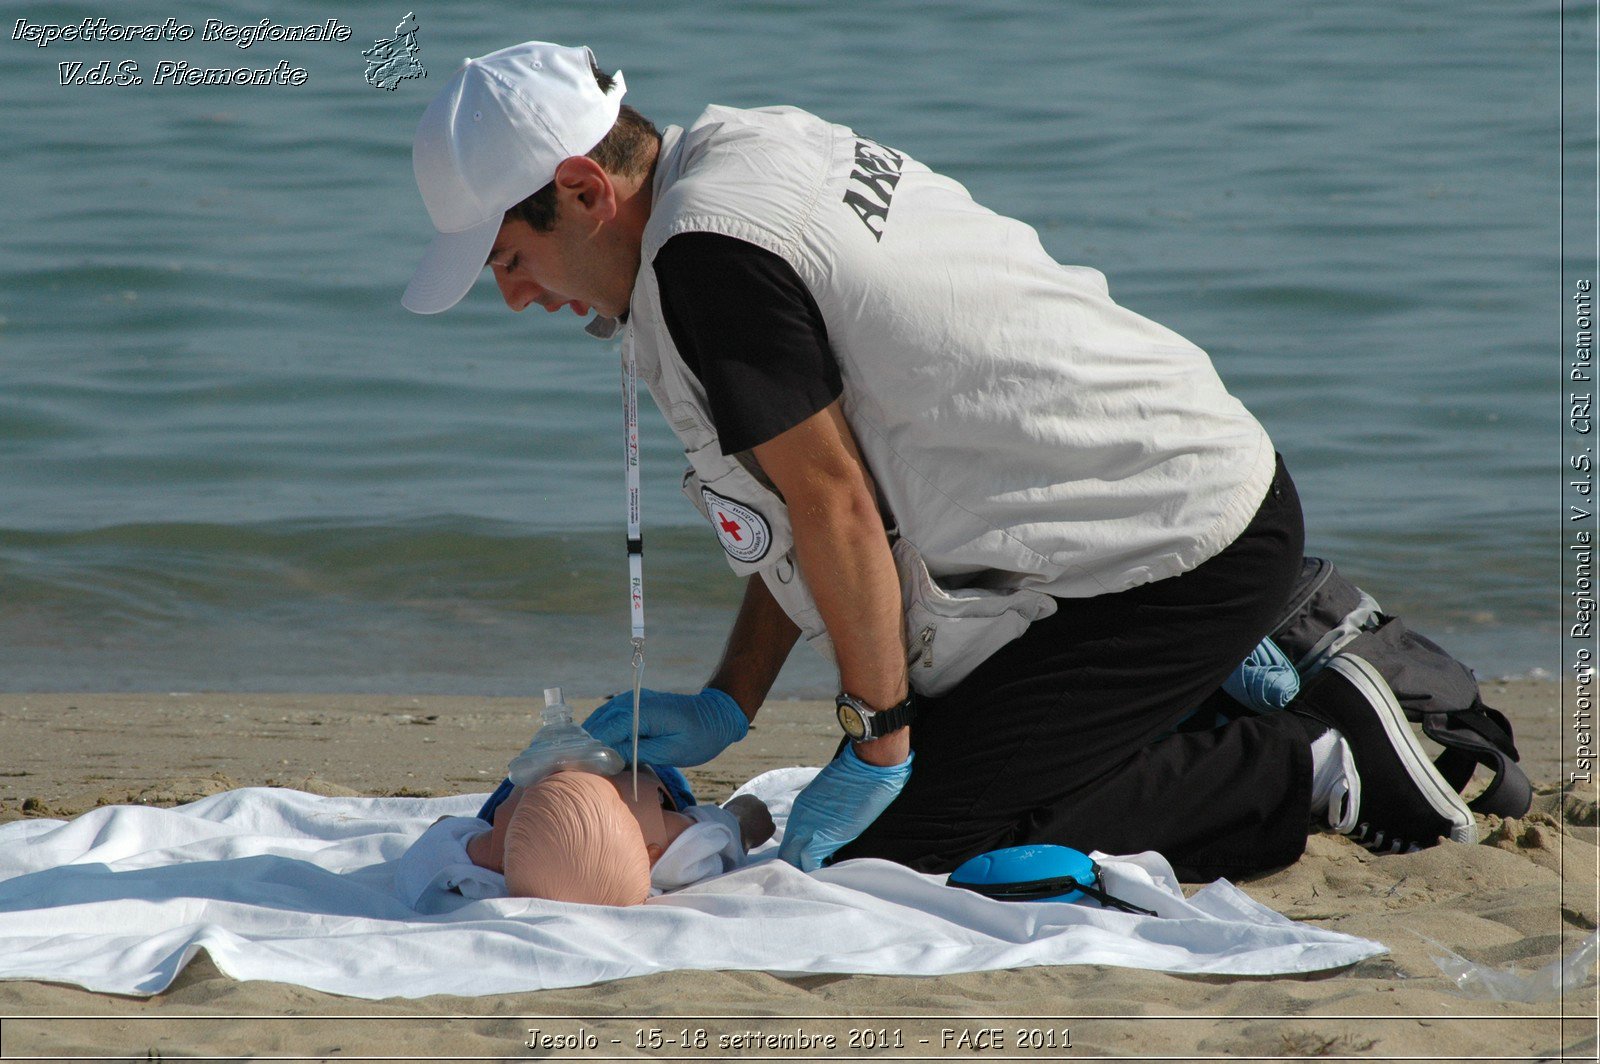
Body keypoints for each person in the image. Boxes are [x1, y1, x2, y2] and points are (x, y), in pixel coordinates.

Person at [399, 40, 1477, 882]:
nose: (515, 294)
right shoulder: (741, 150)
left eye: (511, 256)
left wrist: (875, 745)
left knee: (907, 846)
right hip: (1185, 482)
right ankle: (1202, 679)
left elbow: (831, 507)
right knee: (941, 740)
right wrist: (731, 696)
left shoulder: (705, 269)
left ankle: (1315, 756)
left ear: (586, 191)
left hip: (1173, 550)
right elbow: (810, 494)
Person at [465, 764, 775, 906]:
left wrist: (463, 835)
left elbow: (453, 837)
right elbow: (730, 830)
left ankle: (536, 782)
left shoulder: (502, 849)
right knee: (651, 762)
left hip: (535, 786)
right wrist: (742, 821)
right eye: (619, 798)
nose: (609, 782)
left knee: (523, 785)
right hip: (647, 770)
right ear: (652, 853)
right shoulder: (677, 848)